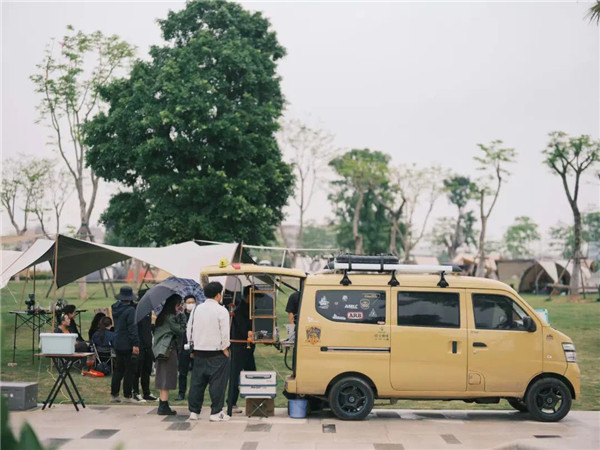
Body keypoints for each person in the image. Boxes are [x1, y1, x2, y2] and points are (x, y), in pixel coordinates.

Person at [187, 281, 231, 422]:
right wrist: (225, 348)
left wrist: (191, 347)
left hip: (199, 351)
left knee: (197, 383)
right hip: (216, 352)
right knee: (217, 384)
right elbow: (225, 332)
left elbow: (190, 329)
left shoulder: (196, 309)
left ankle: (194, 411)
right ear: (219, 295)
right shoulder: (221, 310)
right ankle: (216, 412)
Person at [152, 294, 187, 415]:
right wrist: (183, 316)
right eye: (179, 305)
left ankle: (163, 404)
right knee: (166, 377)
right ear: (174, 305)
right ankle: (163, 406)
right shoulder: (171, 318)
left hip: (161, 351)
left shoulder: (162, 316)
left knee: (163, 377)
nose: (180, 307)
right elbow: (181, 330)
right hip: (168, 351)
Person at [228, 286, 257, 413]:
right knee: (235, 375)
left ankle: (254, 401)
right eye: (254, 296)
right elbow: (244, 329)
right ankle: (231, 403)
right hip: (239, 346)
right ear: (248, 296)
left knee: (252, 373)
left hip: (248, 348)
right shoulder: (240, 310)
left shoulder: (252, 309)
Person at [111, 286, 140, 404]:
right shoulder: (130, 311)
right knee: (129, 370)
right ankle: (127, 395)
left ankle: (114, 394)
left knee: (118, 369)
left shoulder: (115, 308)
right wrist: (136, 344)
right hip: (127, 343)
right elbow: (132, 329)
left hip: (117, 342)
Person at [133, 305, 158, 403]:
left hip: (147, 345)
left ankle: (146, 392)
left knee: (146, 370)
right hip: (140, 345)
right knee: (137, 370)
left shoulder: (148, 313)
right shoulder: (137, 312)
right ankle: (135, 392)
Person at [176, 296, 197, 401]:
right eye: (188, 302)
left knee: (196, 373)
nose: (190, 304)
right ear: (184, 304)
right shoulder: (181, 316)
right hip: (183, 347)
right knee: (182, 372)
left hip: (196, 347)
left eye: (192, 302)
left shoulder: (198, 316)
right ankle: (181, 392)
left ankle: (194, 393)